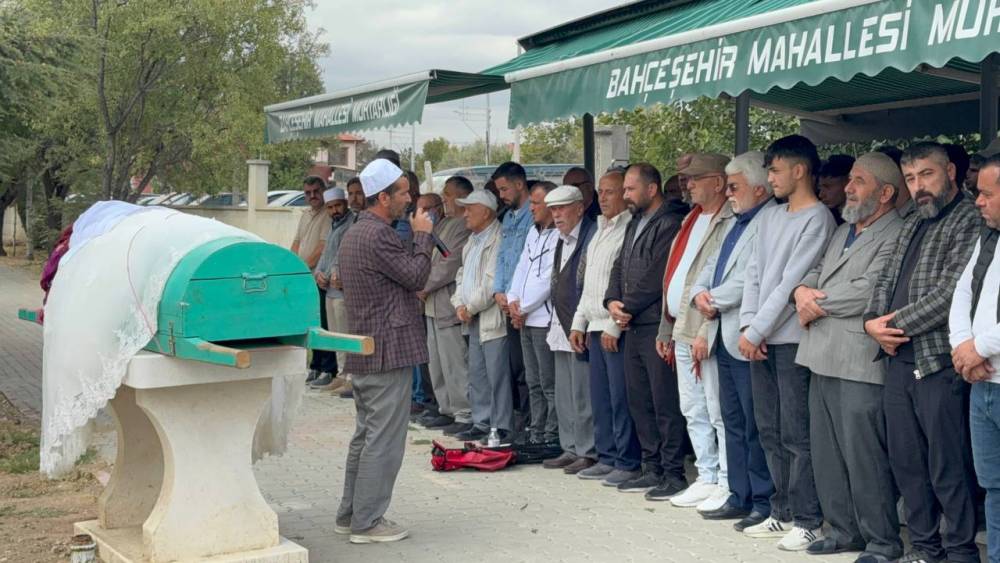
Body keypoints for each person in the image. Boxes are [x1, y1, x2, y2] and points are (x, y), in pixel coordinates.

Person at [865, 142, 982, 563]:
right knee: (908, 464)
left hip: (939, 362)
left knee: (947, 467)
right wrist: (871, 322)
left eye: (926, 175)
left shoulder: (970, 219)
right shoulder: (913, 220)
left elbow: (951, 293)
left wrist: (892, 325)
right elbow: (884, 279)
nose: (919, 187)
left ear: (950, 171)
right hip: (897, 359)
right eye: (911, 179)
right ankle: (925, 550)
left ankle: (961, 552)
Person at [794, 153, 905, 561]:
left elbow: (870, 289)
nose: (849, 187)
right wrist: (801, 292)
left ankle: (882, 541)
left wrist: (815, 304)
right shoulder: (843, 230)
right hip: (820, 353)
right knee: (827, 452)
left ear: (886, 192)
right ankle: (843, 531)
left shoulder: (897, 233)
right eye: (851, 180)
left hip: (859, 359)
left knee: (864, 456)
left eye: (859, 181)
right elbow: (814, 270)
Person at [738, 135, 835, 551]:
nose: (770, 178)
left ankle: (809, 518)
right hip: (759, 339)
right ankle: (781, 512)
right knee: (769, 430)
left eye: (775, 170)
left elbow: (790, 282)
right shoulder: (769, 217)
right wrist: (747, 326)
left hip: (793, 341)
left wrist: (755, 331)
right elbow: (754, 274)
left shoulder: (818, 219)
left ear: (799, 170)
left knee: (798, 434)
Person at [335, 158, 434, 544]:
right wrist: (423, 236)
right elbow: (415, 275)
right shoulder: (378, 235)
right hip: (387, 349)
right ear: (383, 197)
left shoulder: (357, 233)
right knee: (383, 440)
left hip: (368, 347)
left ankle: (351, 513)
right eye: (404, 194)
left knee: (366, 435)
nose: (409, 201)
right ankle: (368, 522)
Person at [690, 151, 775, 532]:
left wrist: (714, 300)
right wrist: (699, 295)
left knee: (755, 424)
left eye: (735, 187)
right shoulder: (736, 221)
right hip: (722, 334)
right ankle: (738, 495)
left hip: (743, 334)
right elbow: (709, 266)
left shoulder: (768, 220)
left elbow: (753, 278)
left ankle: (762, 499)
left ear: (759, 188)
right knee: (733, 420)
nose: (729, 193)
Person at [604, 162, 690, 499]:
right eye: (623, 189)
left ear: (651, 190)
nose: (625, 195)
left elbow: (657, 276)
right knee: (639, 401)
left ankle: (672, 473)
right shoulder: (634, 223)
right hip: (632, 324)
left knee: (663, 402)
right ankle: (650, 467)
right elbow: (618, 265)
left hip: (654, 323)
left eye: (630, 188)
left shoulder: (668, 223)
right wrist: (612, 300)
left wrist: (625, 307)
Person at [656, 153, 733, 510]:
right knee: (693, 409)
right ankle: (706, 475)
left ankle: (726, 482)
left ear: (717, 182)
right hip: (680, 328)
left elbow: (717, 283)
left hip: (704, 329)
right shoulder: (690, 218)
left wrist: (705, 329)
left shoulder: (729, 221)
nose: (687, 185)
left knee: (717, 409)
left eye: (695, 178)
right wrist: (664, 327)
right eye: (685, 178)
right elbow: (676, 277)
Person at [569, 170, 642, 486]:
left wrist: (614, 324)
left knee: (619, 398)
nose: (603, 197)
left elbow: (625, 281)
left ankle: (627, 461)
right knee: (600, 398)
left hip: (616, 327)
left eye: (610, 191)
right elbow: (587, 284)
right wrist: (578, 323)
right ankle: (607, 455)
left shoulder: (628, 229)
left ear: (624, 195)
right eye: (600, 191)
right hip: (593, 324)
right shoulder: (599, 230)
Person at [950, 154, 1000, 563]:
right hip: (982, 384)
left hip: (985, 370)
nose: (978, 202)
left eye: (985, 193)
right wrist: (962, 345)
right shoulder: (989, 237)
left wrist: (976, 349)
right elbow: (962, 294)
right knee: (994, 488)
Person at [544, 185, 597, 474]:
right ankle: (570, 447)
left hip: (580, 323)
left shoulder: (590, 234)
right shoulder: (560, 238)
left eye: (562, 208)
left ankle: (587, 449)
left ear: (579, 207)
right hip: (560, 322)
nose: (556, 215)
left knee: (582, 393)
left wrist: (580, 322)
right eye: (553, 210)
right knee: (564, 391)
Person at [451, 190, 508, 443]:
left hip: (489, 317)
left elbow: (491, 282)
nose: (465, 214)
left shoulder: (498, 237)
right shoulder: (472, 240)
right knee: (477, 374)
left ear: (485, 212)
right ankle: (482, 422)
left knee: (496, 376)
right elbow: (461, 275)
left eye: (469, 209)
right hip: (471, 316)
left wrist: (469, 307)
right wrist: (458, 303)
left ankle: (500, 427)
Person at [415, 185, 472, 431]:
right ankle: (446, 408)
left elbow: (450, 263)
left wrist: (422, 285)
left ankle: (464, 412)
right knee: (436, 362)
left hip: (447, 304)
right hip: (430, 306)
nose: (445, 199)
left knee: (455, 362)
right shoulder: (437, 227)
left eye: (447, 195)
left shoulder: (460, 226)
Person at [507, 182, 559, 446]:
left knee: (548, 382)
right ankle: (536, 431)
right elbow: (520, 270)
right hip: (525, 318)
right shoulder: (532, 233)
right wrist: (513, 301)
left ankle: (551, 436)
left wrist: (522, 307)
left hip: (542, 320)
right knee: (533, 381)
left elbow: (548, 280)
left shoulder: (558, 235)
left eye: (537, 203)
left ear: (551, 206)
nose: (532, 208)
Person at [492, 162, 534, 435]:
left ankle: (534, 425)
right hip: (506, 303)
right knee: (516, 367)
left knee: (532, 372)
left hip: (527, 305)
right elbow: (502, 257)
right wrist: (498, 290)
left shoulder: (534, 214)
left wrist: (518, 297)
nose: (502, 195)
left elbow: (529, 262)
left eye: (505, 188)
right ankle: (523, 422)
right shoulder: (507, 217)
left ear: (520, 184)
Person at [294, 176, 337, 384]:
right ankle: (315, 366)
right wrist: (292, 267)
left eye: (316, 191)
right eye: (308, 193)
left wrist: (303, 269)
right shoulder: (305, 215)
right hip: (304, 279)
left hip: (319, 278)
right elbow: (296, 242)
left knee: (324, 326)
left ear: (324, 191)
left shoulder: (327, 216)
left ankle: (328, 370)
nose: (312, 196)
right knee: (310, 325)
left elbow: (322, 248)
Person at [312, 187, 355, 391]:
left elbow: (341, 253)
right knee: (335, 335)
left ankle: (349, 377)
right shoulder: (333, 225)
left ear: (344, 204)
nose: (334, 210)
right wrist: (318, 272)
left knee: (345, 334)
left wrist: (327, 274)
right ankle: (340, 373)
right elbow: (325, 254)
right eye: (330, 207)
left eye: (337, 205)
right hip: (328, 289)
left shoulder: (351, 223)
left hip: (340, 289)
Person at [817, 155, 855, 225]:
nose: (821, 195)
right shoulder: (824, 217)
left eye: (827, 187)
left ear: (848, 182)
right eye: (820, 188)